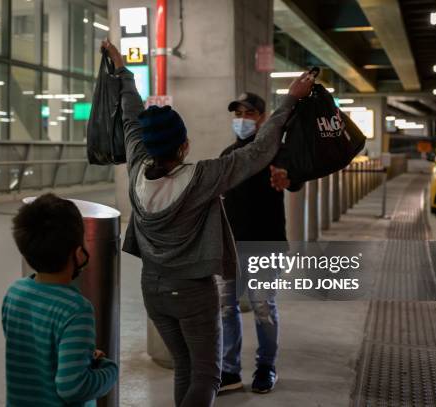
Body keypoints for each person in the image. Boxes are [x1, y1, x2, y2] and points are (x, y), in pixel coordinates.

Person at [101, 40, 314, 407]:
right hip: (191, 293)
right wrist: (291, 100)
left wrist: (122, 72)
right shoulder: (200, 179)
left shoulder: (136, 168)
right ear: (184, 147)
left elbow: (131, 115)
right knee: (207, 376)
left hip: (152, 289)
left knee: (185, 365)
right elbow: (259, 151)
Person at [218, 93, 304, 394]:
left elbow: (293, 179)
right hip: (230, 246)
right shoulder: (228, 155)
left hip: (265, 245)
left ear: (263, 117)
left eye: (249, 113)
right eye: (237, 113)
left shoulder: (274, 153)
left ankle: (266, 367)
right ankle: (229, 370)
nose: (242, 119)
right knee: (226, 309)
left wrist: (286, 178)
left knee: (262, 307)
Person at [2, 193, 118, 407]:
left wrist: (81, 356)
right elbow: (73, 388)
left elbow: (36, 351)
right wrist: (108, 370)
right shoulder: (76, 310)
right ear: (79, 253)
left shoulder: (14, 293)